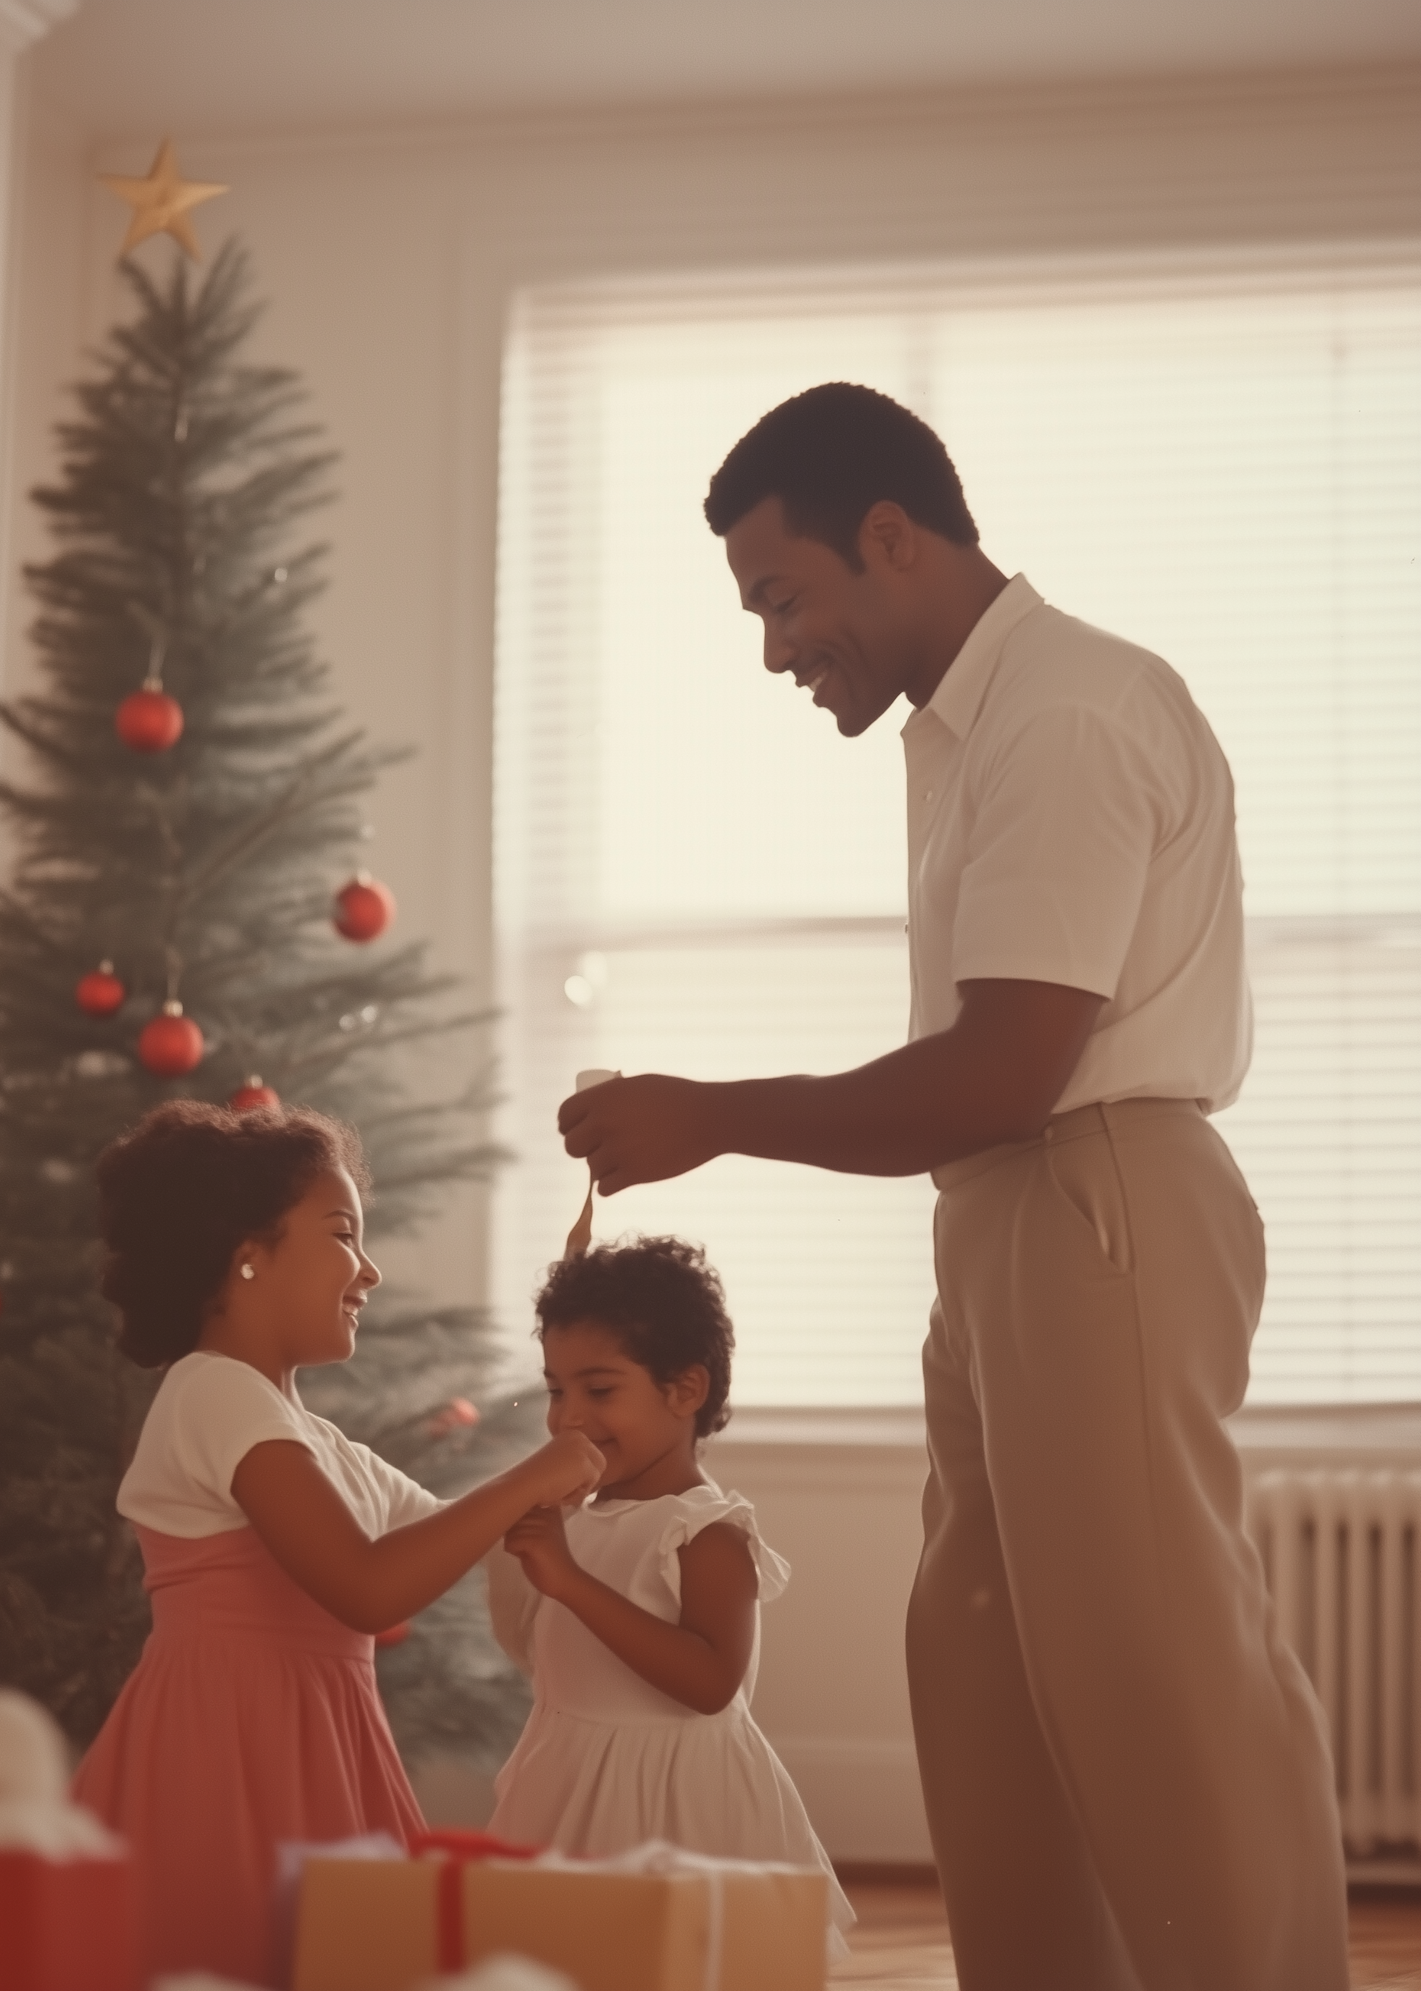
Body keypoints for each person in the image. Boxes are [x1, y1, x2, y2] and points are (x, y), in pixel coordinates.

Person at [556, 384, 1349, 1991]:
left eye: (785, 596)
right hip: (1010, 1215)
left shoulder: (1065, 713)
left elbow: (1006, 1070)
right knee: (988, 1666)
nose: (777, 646)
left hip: (1088, 1195)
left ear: (894, 539)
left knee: (1157, 1681)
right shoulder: (974, 731)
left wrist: (708, 1112)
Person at [73, 1099, 602, 1988]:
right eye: (343, 1235)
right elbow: (365, 1587)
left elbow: (464, 1532)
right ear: (247, 1253)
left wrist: (595, 1444)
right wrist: (531, 1476)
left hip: (318, 1736)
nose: (371, 1270)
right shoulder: (213, 1392)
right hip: (227, 1749)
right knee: (242, 1950)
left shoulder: (315, 1439)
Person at [486, 1235, 853, 1946]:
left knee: (671, 1958)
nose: (568, 1417)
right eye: (557, 1389)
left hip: (672, 1802)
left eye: (599, 1389)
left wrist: (568, 1580)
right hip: (568, 1773)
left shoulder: (706, 1531)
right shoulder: (579, 1518)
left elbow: (712, 1681)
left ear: (685, 1389)